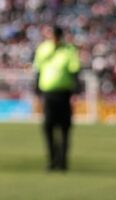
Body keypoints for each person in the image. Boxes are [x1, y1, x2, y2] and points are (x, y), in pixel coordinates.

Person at [34, 25, 80, 171]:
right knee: (48, 127)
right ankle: (52, 160)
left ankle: (63, 162)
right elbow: (38, 70)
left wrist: (75, 91)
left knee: (64, 128)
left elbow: (74, 70)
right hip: (48, 94)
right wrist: (37, 89)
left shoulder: (69, 50)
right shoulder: (43, 49)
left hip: (64, 93)